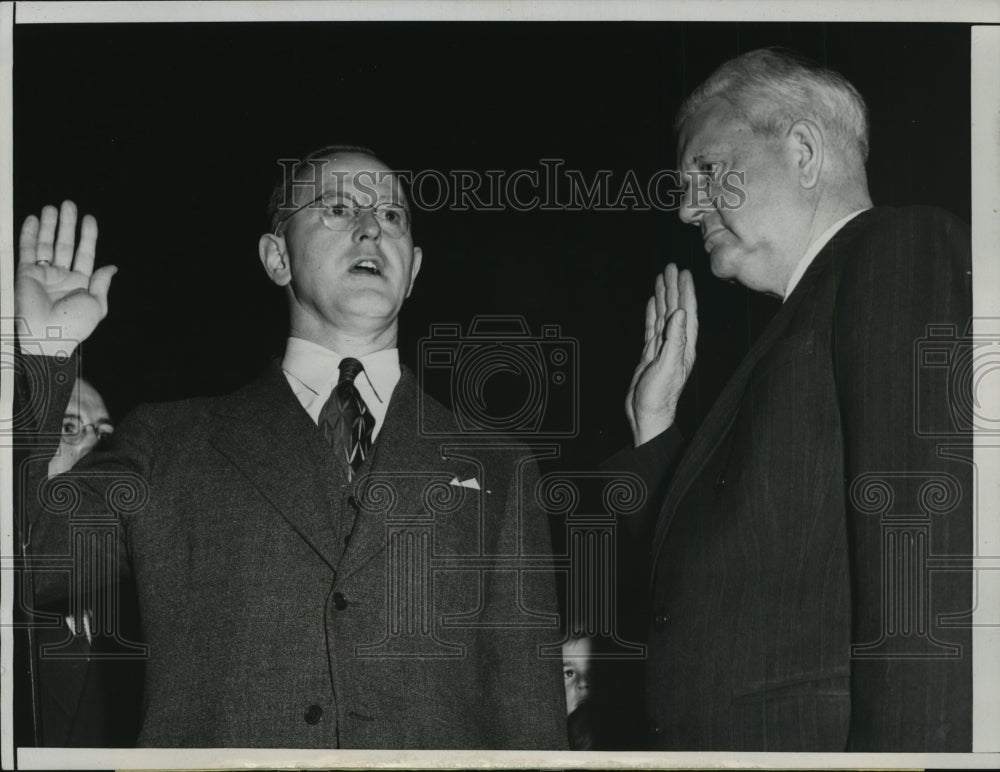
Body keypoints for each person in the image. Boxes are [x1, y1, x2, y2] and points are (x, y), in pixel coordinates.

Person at [15, 146, 567, 748]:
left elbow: (529, 722)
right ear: (277, 257)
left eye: (392, 216)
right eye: (337, 208)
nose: (369, 228)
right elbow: (26, 560)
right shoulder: (169, 445)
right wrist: (44, 359)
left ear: (414, 270)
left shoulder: (500, 468)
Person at [612, 48, 972, 751]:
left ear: (804, 151)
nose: (686, 207)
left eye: (707, 170)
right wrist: (653, 427)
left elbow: (923, 562)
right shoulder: (798, 322)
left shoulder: (896, 253)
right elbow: (701, 589)